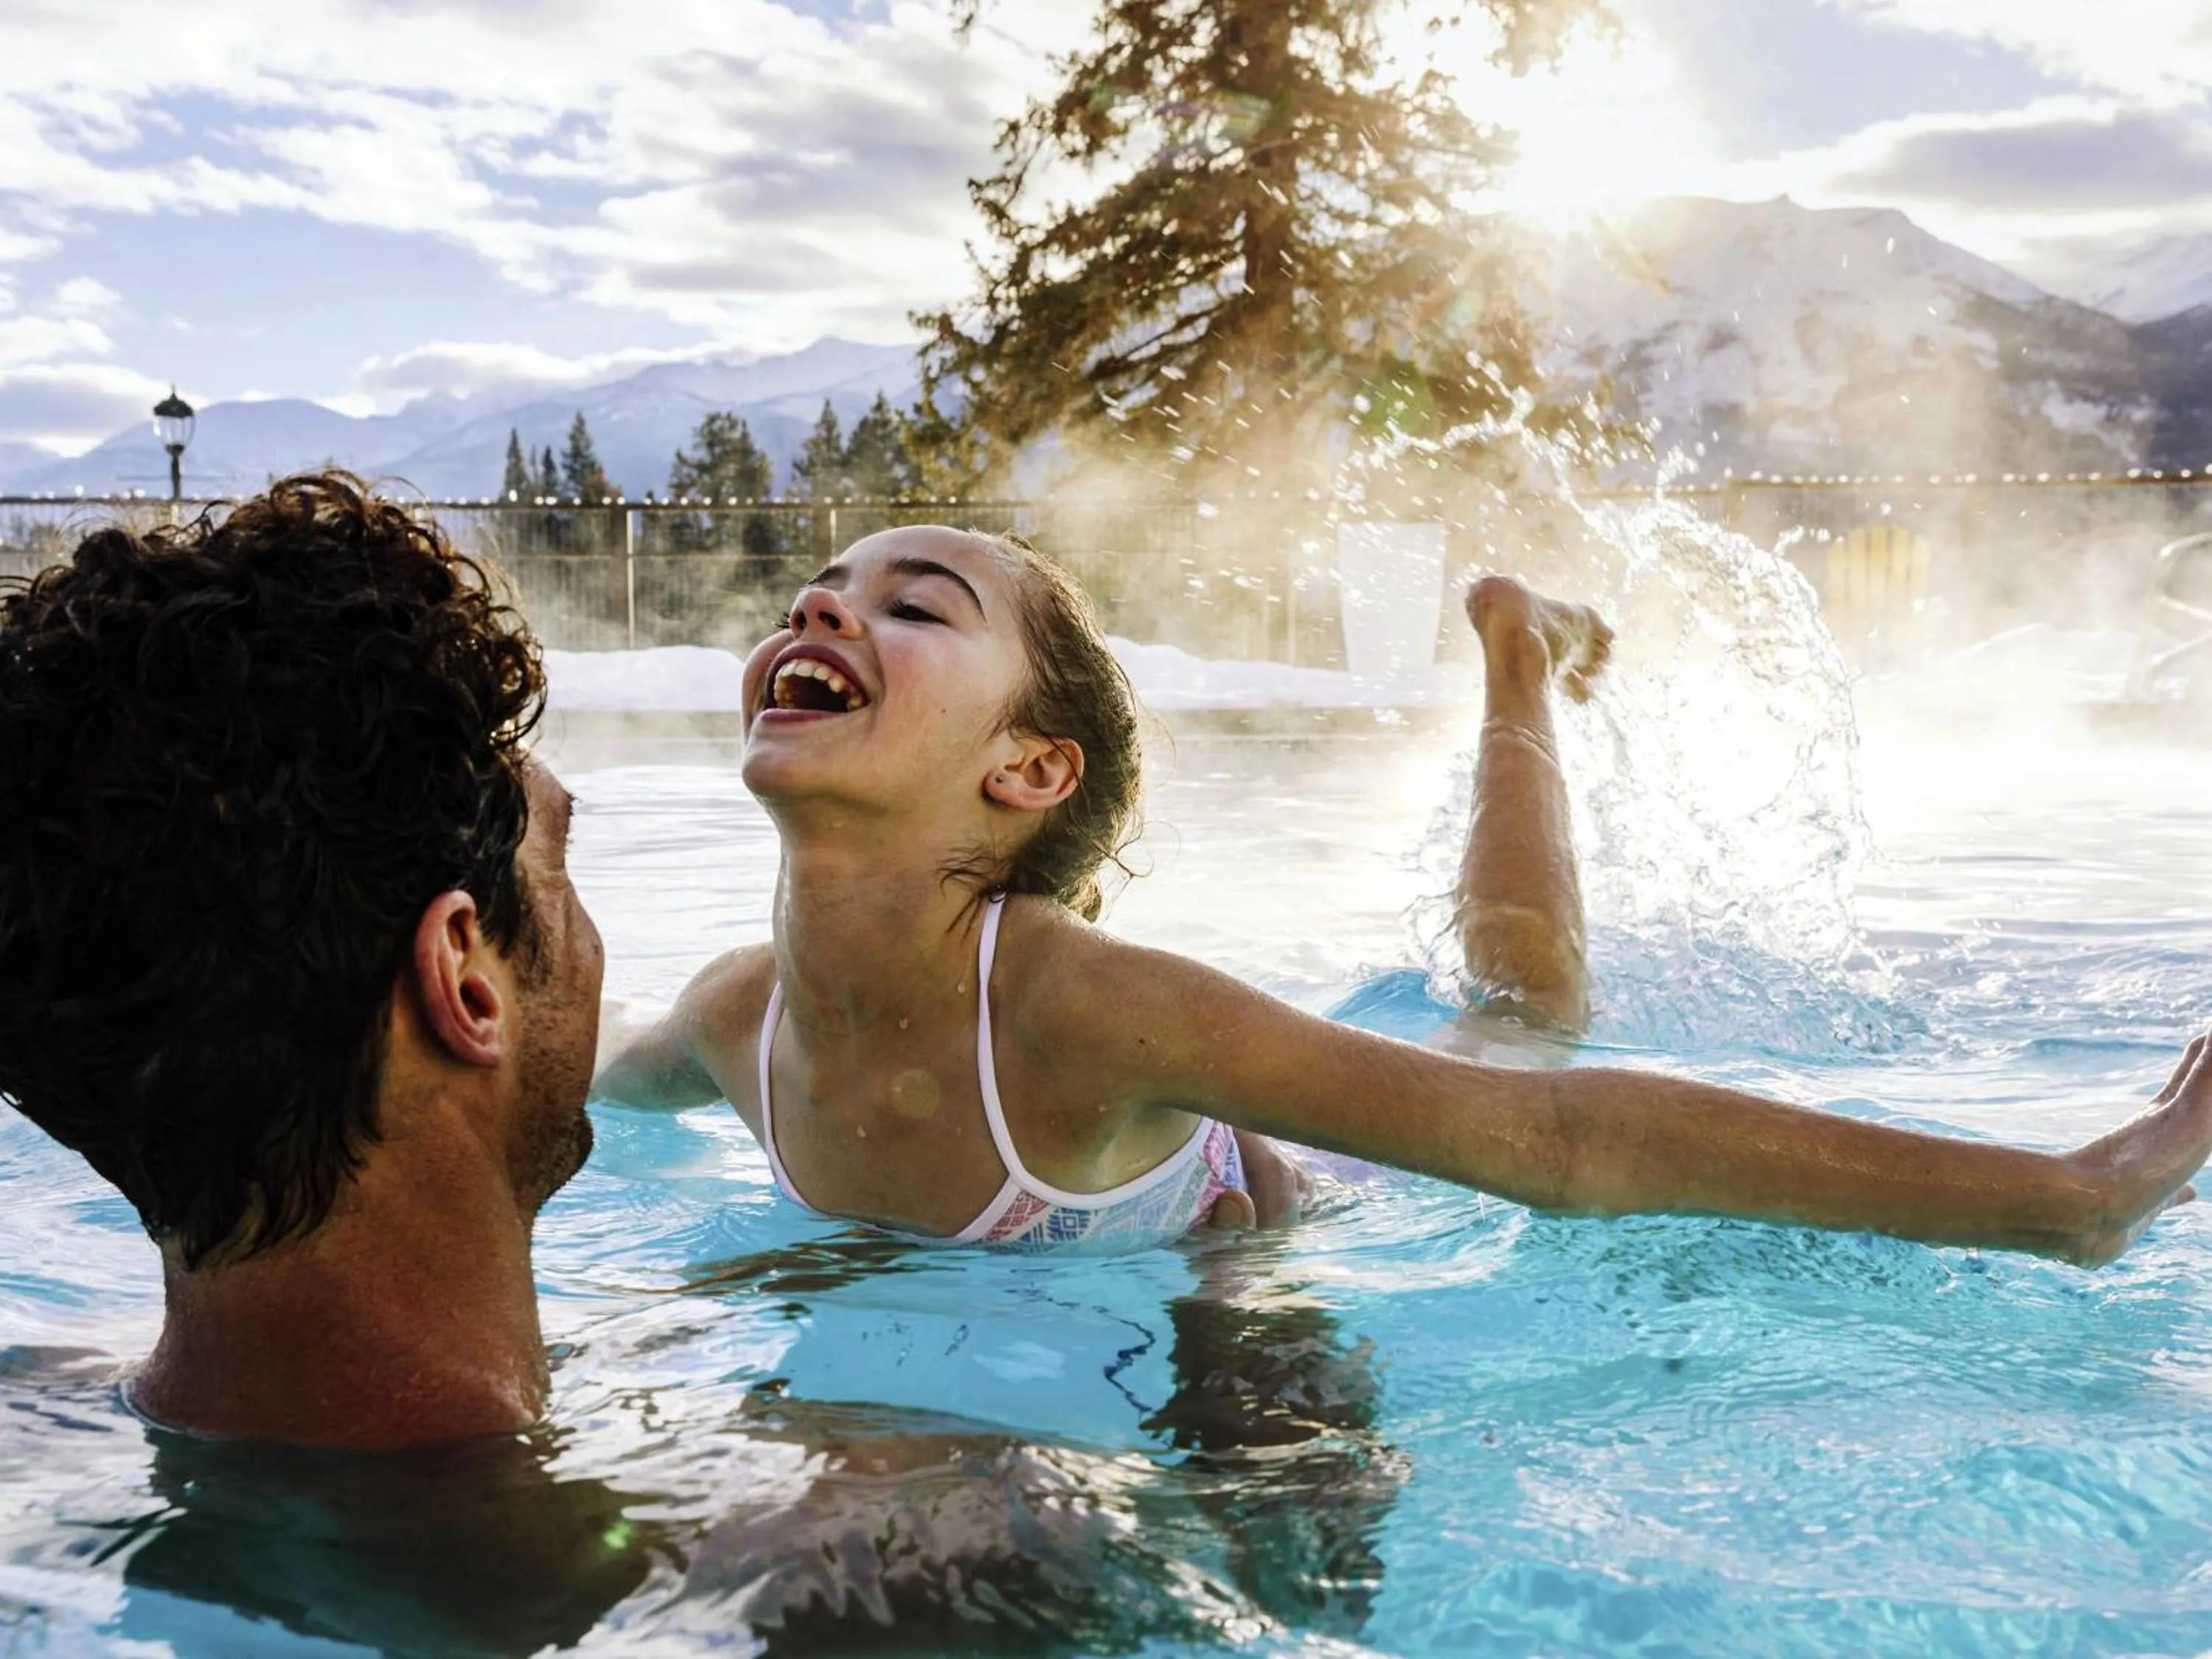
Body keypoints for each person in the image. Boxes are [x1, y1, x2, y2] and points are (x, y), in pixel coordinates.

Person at [597, 525, 2212, 1265]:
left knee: (1527, 1025)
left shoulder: (1080, 1008)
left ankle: (1517, 659)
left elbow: (1566, 1148)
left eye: (916, 602)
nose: (830, 604)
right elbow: (581, 1087)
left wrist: (2070, 1195)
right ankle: (1519, 649)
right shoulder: (742, 1018)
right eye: (826, 589)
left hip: (1298, 1242)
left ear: (1029, 770)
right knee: (1504, 1002)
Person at [0, 473, 602, 1449]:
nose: (583, 935)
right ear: (464, 979)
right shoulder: (815, 1566)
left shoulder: (40, 1408)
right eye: (558, 864)